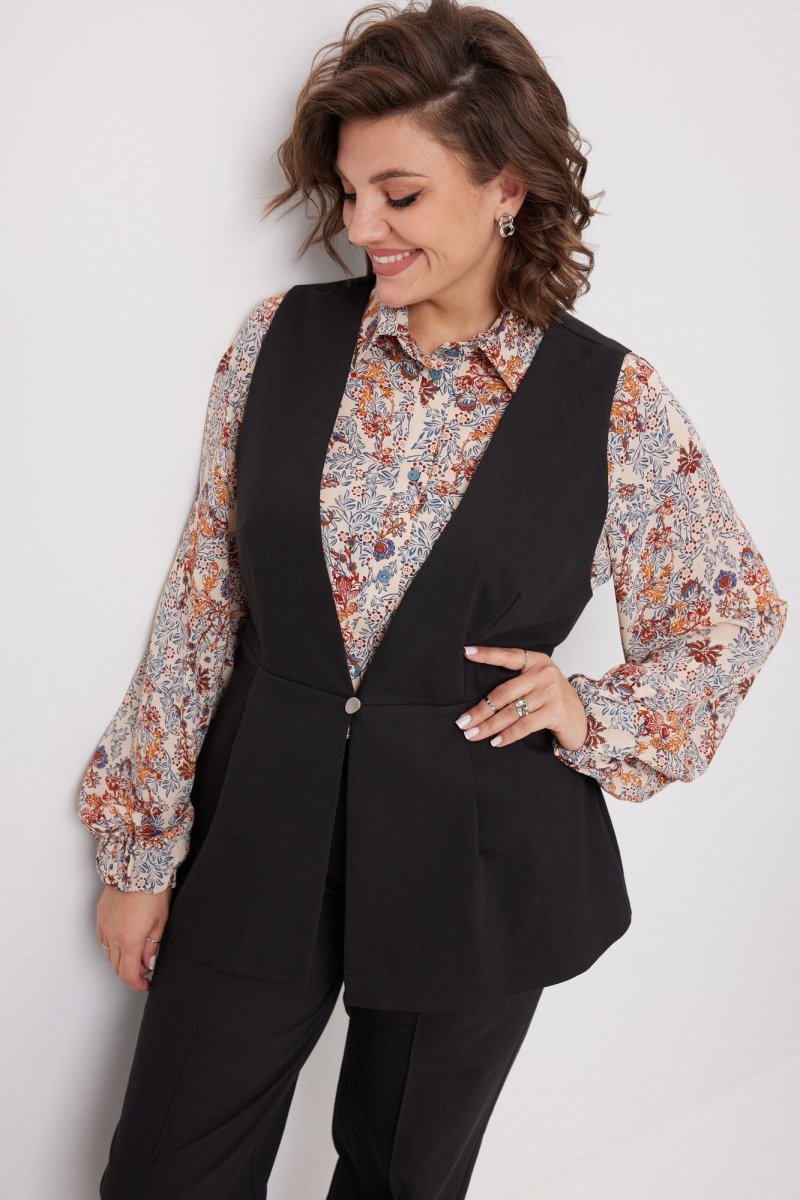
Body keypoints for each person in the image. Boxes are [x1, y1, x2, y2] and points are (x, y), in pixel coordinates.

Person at [76, 0, 789, 1196]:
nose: (361, 227)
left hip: (475, 849)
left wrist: (591, 709)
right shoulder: (277, 343)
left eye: (398, 195)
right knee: (165, 1170)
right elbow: (204, 599)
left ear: (505, 186)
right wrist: (141, 847)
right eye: (350, 192)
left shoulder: (612, 402)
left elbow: (734, 610)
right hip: (262, 819)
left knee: (403, 1178)